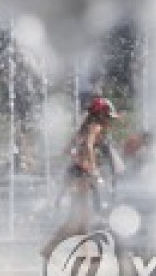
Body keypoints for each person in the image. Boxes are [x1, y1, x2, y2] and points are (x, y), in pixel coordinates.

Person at [42, 97, 119, 258]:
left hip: (76, 174)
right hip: (81, 176)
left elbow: (67, 149)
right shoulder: (95, 127)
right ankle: (52, 249)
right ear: (100, 115)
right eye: (108, 117)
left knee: (81, 218)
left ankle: (82, 253)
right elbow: (89, 145)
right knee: (77, 219)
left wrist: (78, 159)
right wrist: (94, 168)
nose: (109, 122)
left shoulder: (84, 128)